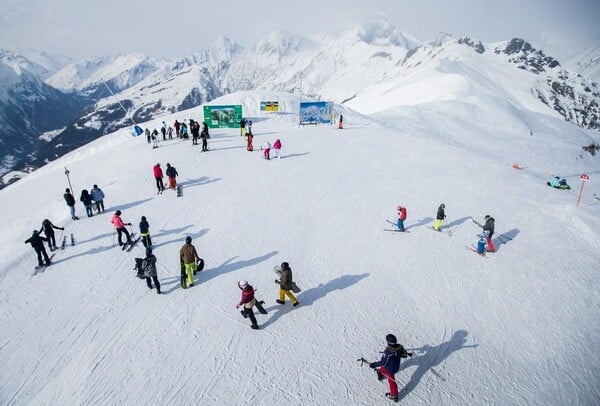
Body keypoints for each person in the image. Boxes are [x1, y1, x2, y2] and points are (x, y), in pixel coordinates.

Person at [368, 334, 412, 403]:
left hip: (390, 369)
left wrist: (374, 365)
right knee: (382, 368)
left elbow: (383, 362)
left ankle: (394, 395)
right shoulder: (399, 347)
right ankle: (380, 374)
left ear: (388, 342)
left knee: (391, 381)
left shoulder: (388, 352)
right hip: (396, 366)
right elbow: (404, 354)